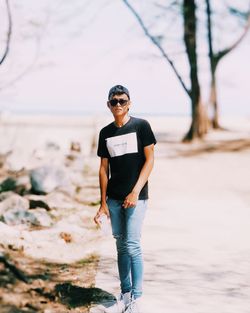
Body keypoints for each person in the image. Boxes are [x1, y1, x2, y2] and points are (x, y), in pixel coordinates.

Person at [94, 85, 156, 313]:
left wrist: (135, 191)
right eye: (114, 101)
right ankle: (125, 295)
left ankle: (137, 300)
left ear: (129, 103)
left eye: (122, 100)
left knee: (132, 245)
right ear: (108, 105)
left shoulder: (141, 126)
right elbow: (103, 169)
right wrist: (102, 203)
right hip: (114, 199)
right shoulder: (105, 133)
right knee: (120, 247)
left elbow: (150, 161)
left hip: (136, 198)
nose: (118, 105)